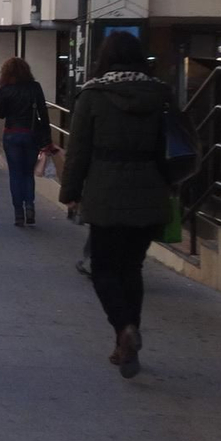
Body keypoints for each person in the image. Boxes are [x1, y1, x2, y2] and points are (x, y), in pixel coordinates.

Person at [58, 31, 173, 379]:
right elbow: (172, 144)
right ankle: (125, 341)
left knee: (104, 269)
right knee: (131, 269)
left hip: (105, 193)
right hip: (149, 192)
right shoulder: (161, 95)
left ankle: (124, 328)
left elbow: (77, 150)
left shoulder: (93, 96)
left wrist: (70, 192)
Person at [0, 57, 51, 227]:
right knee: (28, 173)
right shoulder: (35, 87)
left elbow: (0, 114)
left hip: (12, 134)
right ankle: (30, 206)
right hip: (31, 134)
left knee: (15, 174)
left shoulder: (5, 89)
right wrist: (47, 139)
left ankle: (18, 213)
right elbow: (43, 112)